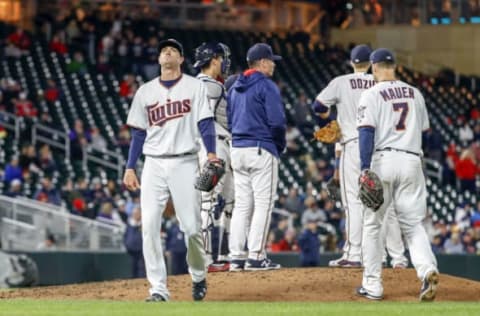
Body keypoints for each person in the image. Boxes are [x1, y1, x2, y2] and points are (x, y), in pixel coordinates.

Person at [123, 38, 217, 302]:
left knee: (192, 228)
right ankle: (158, 289)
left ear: (181, 60)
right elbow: (139, 134)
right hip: (153, 163)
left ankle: (198, 275)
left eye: (173, 50)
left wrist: (210, 152)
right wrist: (130, 167)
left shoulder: (194, 86)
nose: (167, 52)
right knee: (149, 226)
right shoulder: (145, 92)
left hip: (185, 161)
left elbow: (206, 122)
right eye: (164, 50)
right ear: (158, 59)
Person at [313, 44, 408, 268]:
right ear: (372, 64)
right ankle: (395, 257)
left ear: (351, 62)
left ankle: (355, 254)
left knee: (355, 202)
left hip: (354, 144)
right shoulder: (381, 83)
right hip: (383, 146)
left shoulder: (341, 82)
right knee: (385, 203)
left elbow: (318, 106)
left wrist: (329, 115)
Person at [356, 48, 439, 301]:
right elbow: (426, 132)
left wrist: (364, 168)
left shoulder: (371, 94)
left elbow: (366, 133)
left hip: (383, 160)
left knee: (372, 224)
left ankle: (372, 285)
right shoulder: (416, 93)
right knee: (413, 224)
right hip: (412, 160)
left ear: (373, 67)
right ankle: (427, 271)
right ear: (394, 66)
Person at [227, 43, 286, 271]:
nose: (273, 64)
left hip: (237, 149)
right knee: (263, 204)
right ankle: (256, 257)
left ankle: (236, 257)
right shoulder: (266, 85)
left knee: (242, 205)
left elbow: (231, 121)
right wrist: (278, 146)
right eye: (271, 60)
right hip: (261, 148)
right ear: (262, 62)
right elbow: (278, 122)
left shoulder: (234, 86)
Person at [194, 42, 235, 273]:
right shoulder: (210, 86)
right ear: (214, 59)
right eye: (221, 58)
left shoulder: (191, 85)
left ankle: (224, 255)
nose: (223, 62)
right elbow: (205, 120)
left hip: (216, 146)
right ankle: (206, 258)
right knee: (209, 202)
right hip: (212, 147)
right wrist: (209, 153)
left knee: (229, 201)